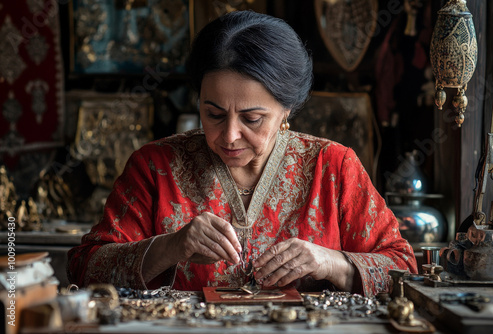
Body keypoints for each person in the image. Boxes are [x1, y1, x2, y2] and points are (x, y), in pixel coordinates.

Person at [68, 10, 417, 297]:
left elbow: (404, 269)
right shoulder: (155, 166)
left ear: (287, 110)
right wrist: (170, 247)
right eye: (214, 114)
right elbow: (84, 267)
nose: (230, 136)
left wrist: (331, 263)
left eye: (252, 118)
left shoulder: (333, 167)